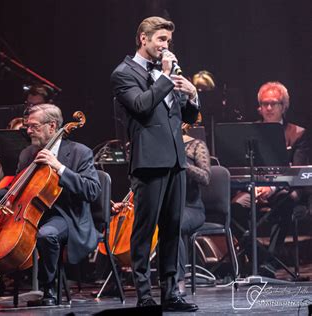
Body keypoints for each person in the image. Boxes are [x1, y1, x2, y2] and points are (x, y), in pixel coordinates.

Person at [0, 103, 101, 306]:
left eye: (33, 126)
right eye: (28, 126)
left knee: (47, 234)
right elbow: (16, 191)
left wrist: (59, 167)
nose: (28, 131)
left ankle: (49, 291)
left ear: (52, 126)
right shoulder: (28, 154)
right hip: (27, 213)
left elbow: (92, 190)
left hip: (65, 216)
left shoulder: (80, 152)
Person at [111, 16, 200, 311]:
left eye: (168, 41)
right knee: (145, 230)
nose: (165, 46)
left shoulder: (168, 73)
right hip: (149, 161)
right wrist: (164, 77)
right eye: (161, 40)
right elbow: (141, 106)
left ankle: (171, 293)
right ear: (143, 39)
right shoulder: (123, 73)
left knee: (172, 228)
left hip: (176, 159)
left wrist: (192, 95)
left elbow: (184, 117)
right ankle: (145, 296)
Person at [231, 81, 309, 278]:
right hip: (252, 189)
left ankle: (269, 262)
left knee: (286, 201)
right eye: (264, 103)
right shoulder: (249, 132)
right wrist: (255, 188)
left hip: (283, 190)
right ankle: (261, 258)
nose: (268, 108)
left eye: (273, 103)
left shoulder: (298, 134)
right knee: (231, 208)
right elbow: (241, 167)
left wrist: (271, 188)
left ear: (284, 106)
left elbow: (296, 171)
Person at [177, 118, 211, 294]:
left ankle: (178, 281)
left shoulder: (196, 145)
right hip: (167, 205)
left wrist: (183, 163)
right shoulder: (159, 146)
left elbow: (205, 177)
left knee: (174, 222)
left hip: (192, 208)